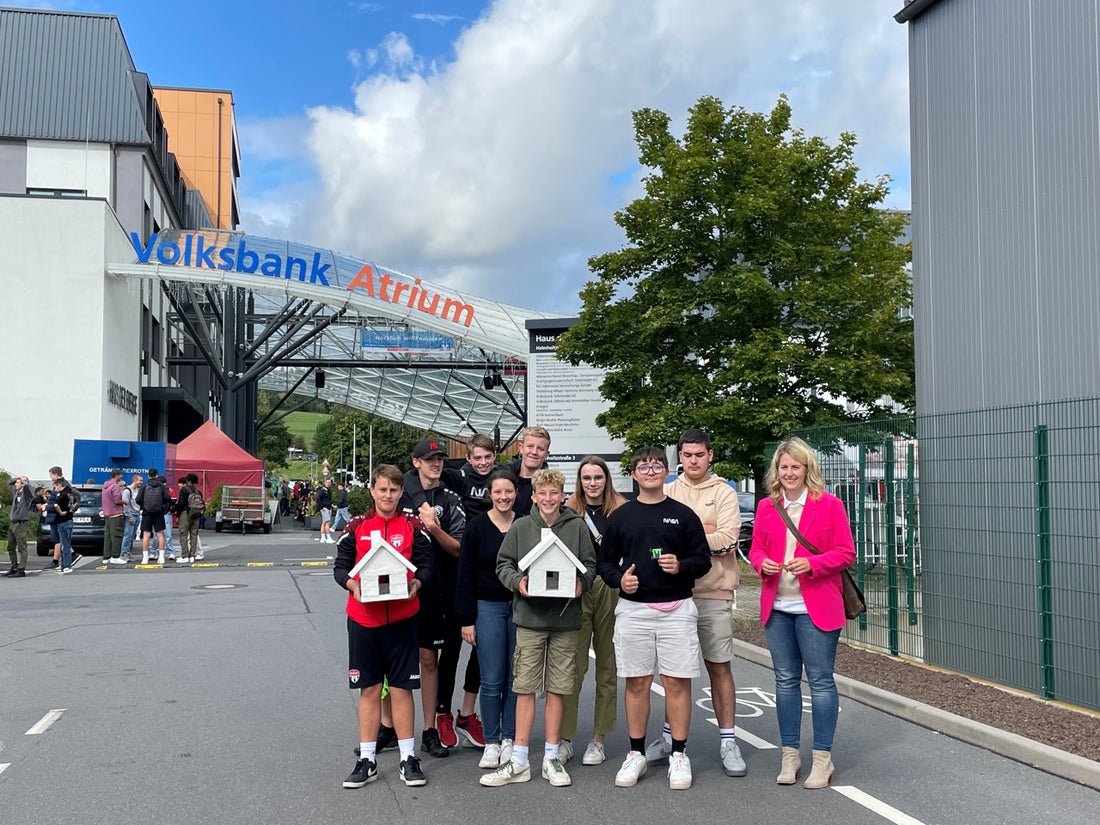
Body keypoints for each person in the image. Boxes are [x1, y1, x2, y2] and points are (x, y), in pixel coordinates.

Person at [597, 447, 711, 791]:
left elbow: (702, 559)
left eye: (656, 465)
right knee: (637, 682)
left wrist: (681, 566)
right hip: (634, 611)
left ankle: (679, 754)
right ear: (633, 474)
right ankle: (636, 753)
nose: (650, 470)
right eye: (643, 466)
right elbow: (604, 564)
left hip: (676, 608)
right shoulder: (620, 517)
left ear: (666, 471)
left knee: (677, 682)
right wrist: (620, 579)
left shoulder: (683, 514)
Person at [748, 436, 856, 790]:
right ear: (776, 471)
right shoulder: (767, 506)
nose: (790, 472)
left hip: (816, 606)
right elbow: (757, 548)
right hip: (777, 606)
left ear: (807, 469)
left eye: (796, 467)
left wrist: (811, 564)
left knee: (821, 681)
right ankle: (790, 755)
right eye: (784, 467)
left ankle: (822, 759)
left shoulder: (829, 504)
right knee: (784, 680)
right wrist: (761, 562)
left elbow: (845, 553)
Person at [483, 469, 597, 788]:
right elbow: (503, 563)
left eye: (554, 493)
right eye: (542, 493)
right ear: (532, 496)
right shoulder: (521, 527)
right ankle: (519, 758)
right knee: (525, 687)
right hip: (530, 620)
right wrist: (517, 582)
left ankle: (551, 755)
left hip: (564, 620)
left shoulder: (576, 527)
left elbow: (590, 565)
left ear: (563, 495)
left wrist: (581, 584)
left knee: (559, 687)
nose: (548, 499)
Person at [652, 429, 746, 776]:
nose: (693, 460)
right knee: (674, 673)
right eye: (687, 455)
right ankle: (669, 740)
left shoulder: (724, 492)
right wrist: (703, 532)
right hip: (672, 594)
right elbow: (657, 539)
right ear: (679, 456)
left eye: (699, 454)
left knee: (719, 666)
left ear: (710, 455)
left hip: (713, 593)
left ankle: (728, 741)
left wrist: (685, 538)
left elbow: (728, 540)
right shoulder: (667, 490)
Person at [334, 464, 433, 789]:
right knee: (370, 689)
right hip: (364, 621)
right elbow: (340, 568)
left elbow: (426, 566)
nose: (388, 495)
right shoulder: (357, 527)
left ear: (401, 492)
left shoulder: (413, 526)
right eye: (382, 489)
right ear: (373, 491)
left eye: (393, 489)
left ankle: (408, 757)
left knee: (403, 689)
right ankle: (368, 759)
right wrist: (352, 585)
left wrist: (417, 584)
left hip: (403, 620)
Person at [398, 438, 481, 757]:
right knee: (394, 660)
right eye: (429, 459)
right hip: (401, 590)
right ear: (416, 462)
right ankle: (390, 727)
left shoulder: (450, 498)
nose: (436, 463)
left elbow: (459, 548)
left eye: (440, 459)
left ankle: (430, 728)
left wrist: (433, 527)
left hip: (439, 591)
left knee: (431, 660)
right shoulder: (401, 494)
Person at [559, 456, 627, 767]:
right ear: (580, 481)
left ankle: (599, 738)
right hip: (577, 588)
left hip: (612, 587)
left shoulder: (622, 509)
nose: (592, 483)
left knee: (607, 668)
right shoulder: (568, 511)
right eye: (586, 478)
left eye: (597, 477)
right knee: (572, 667)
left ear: (606, 479)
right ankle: (565, 736)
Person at [456, 468, 521, 770]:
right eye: (498, 492)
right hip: (487, 608)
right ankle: (492, 741)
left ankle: (510, 737)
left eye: (508, 491)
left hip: (521, 608)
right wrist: (467, 619)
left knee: (514, 679)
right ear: (490, 494)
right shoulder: (477, 527)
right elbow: (465, 573)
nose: (503, 497)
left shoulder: (524, 525)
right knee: (491, 679)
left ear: (516, 494)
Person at [442, 433, 497, 519]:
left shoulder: (501, 477)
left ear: (494, 455)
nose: (483, 462)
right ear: (468, 458)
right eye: (477, 458)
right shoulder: (460, 477)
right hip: (467, 529)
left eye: (488, 457)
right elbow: (425, 473)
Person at [505, 427, 551, 516]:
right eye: (530, 446)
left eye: (540, 449)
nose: (534, 452)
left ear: (546, 454)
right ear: (521, 448)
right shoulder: (503, 475)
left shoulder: (550, 483)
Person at [138, 468, 169, 564]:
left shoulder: (144, 486)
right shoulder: (161, 487)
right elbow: (167, 498)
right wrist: (161, 506)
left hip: (147, 512)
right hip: (158, 512)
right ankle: (161, 557)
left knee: (146, 535)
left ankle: (145, 558)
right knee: (160, 534)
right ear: (156, 475)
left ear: (148, 476)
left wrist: (144, 505)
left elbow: (138, 499)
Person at [6, 474, 34, 577]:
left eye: (18, 482)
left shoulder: (27, 494)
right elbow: (9, 482)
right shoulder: (16, 492)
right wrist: (18, 477)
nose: (16, 484)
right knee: (10, 547)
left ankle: (21, 569)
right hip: (13, 522)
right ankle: (14, 566)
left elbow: (27, 487)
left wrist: (24, 480)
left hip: (21, 523)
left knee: (22, 547)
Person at [101, 469, 127, 565]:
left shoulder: (105, 486)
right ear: (117, 475)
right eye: (121, 475)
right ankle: (115, 556)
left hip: (107, 514)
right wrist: (125, 502)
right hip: (116, 514)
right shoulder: (115, 486)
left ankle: (106, 557)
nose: (122, 477)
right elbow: (117, 500)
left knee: (107, 537)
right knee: (117, 536)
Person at [52, 477, 76, 574]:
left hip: (63, 521)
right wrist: (72, 510)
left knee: (65, 545)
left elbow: (55, 505)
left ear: (59, 485)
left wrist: (61, 512)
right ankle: (63, 565)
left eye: (55, 487)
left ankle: (67, 566)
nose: (54, 489)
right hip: (69, 520)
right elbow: (76, 502)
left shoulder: (62, 495)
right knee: (65, 544)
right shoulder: (70, 492)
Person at [176, 474, 201, 564]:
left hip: (185, 513)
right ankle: (192, 555)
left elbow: (181, 503)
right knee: (194, 535)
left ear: (187, 481)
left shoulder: (184, 490)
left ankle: (185, 555)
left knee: (183, 534)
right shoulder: (198, 491)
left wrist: (177, 513)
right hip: (196, 514)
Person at [120, 474, 143, 561]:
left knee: (132, 536)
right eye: (140, 480)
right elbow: (125, 504)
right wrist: (129, 516)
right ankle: (123, 553)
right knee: (127, 535)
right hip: (131, 515)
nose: (141, 482)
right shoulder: (127, 491)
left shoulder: (138, 490)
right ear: (135, 480)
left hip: (137, 514)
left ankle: (128, 552)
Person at [316, 478, 334, 543]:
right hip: (325, 507)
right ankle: (328, 537)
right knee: (327, 522)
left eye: (329, 483)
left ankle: (323, 537)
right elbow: (318, 499)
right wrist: (321, 507)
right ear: (325, 482)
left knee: (324, 522)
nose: (328, 484)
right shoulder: (323, 490)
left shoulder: (327, 490)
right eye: (327, 482)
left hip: (327, 507)